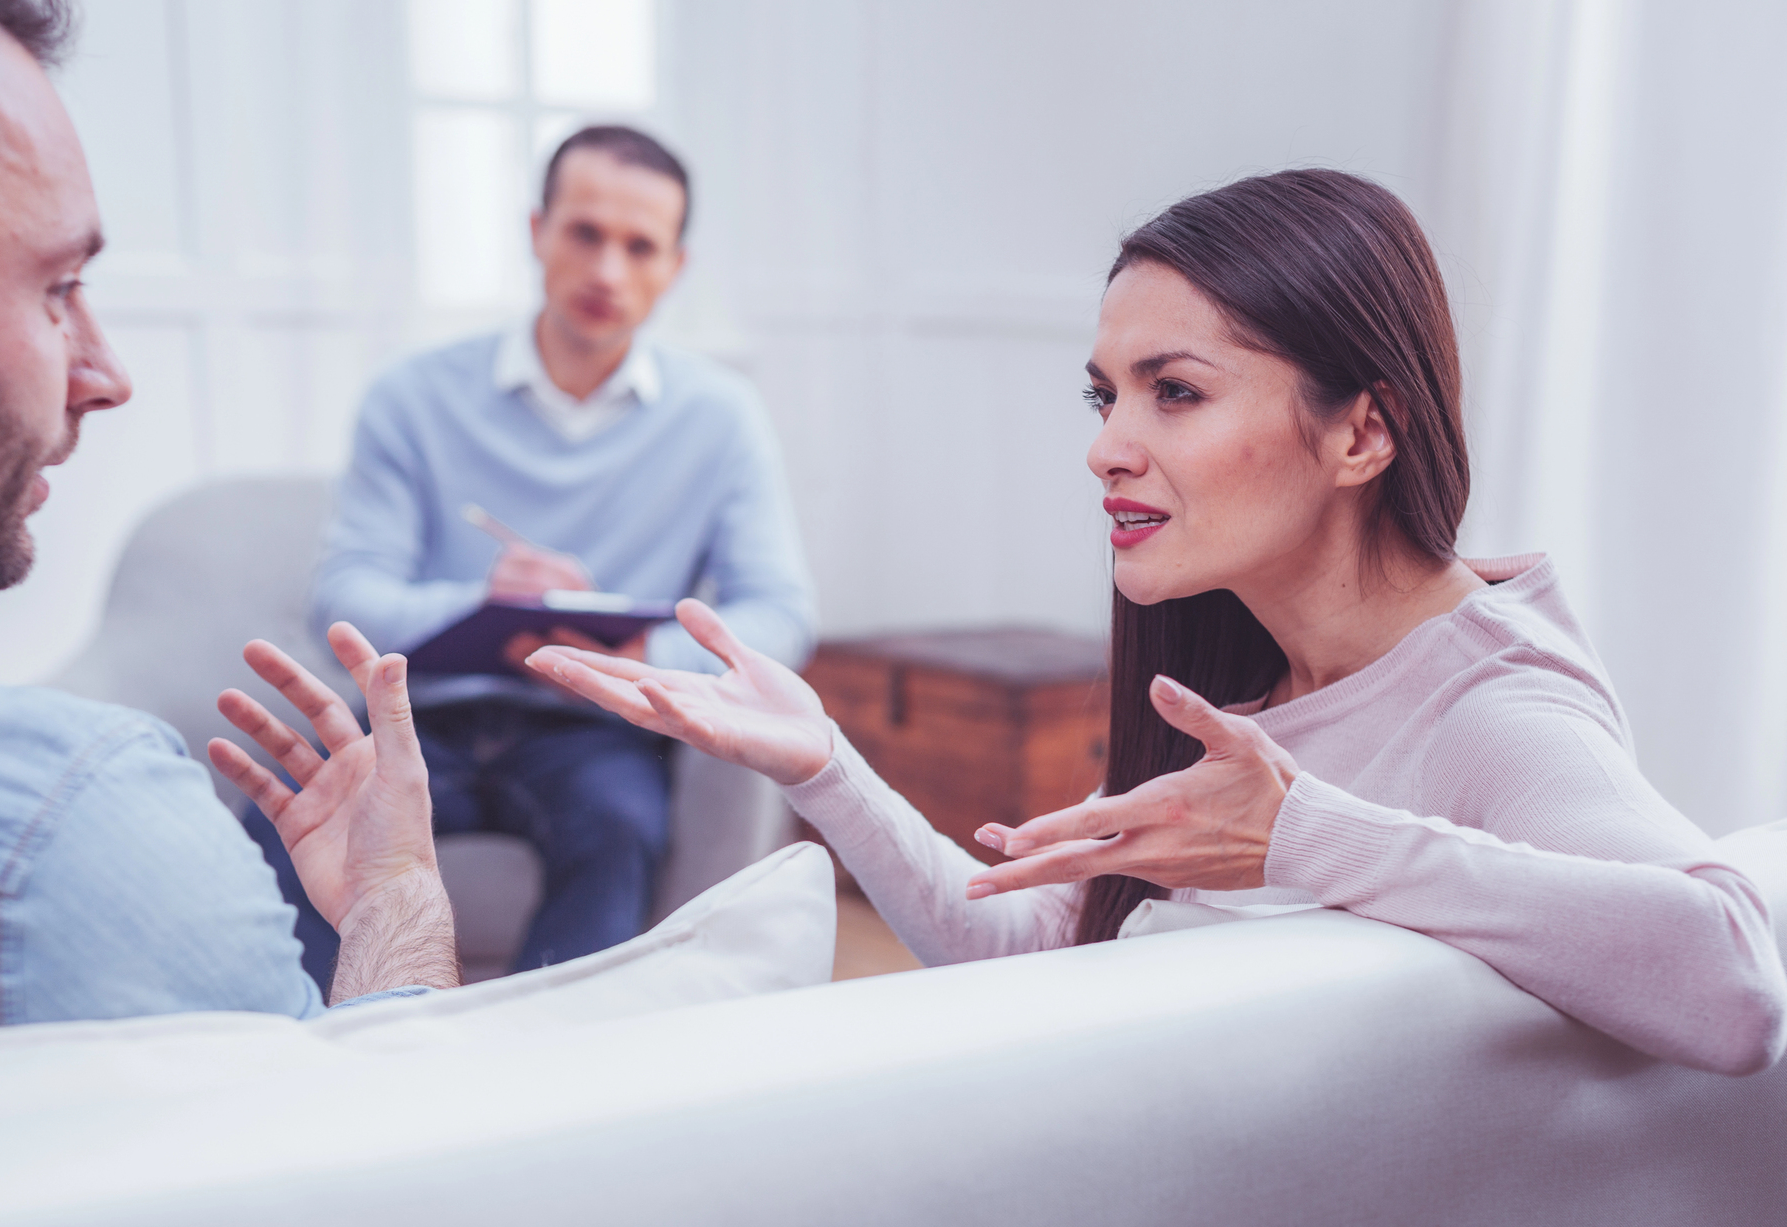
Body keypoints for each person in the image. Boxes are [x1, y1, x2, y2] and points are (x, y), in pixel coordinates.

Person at [532, 169, 1787, 1076]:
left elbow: (1732, 975)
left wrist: (1302, 833)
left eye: (1171, 393)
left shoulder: (1492, 703)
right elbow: (1035, 946)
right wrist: (823, 762)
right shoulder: (1241, 671)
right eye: (1104, 394)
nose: (1103, 449)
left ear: (1361, 430)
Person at [0, 0, 456, 1050]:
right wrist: (395, 896)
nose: (106, 376)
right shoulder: (64, 834)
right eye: (55, 289)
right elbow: (400, 1185)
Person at [259, 124, 816, 985]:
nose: (607, 271)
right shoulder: (413, 395)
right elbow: (344, 595)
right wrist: (488, 606)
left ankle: (545, 1075)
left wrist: (638, 655)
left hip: (592, 728)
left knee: (619, 825)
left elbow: (781, 615)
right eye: (585, 234)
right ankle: (330, 1051)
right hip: (421, 718)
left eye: (640, 247)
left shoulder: (721, 417)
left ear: (675, 267)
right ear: (537, 232)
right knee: (290, 812)